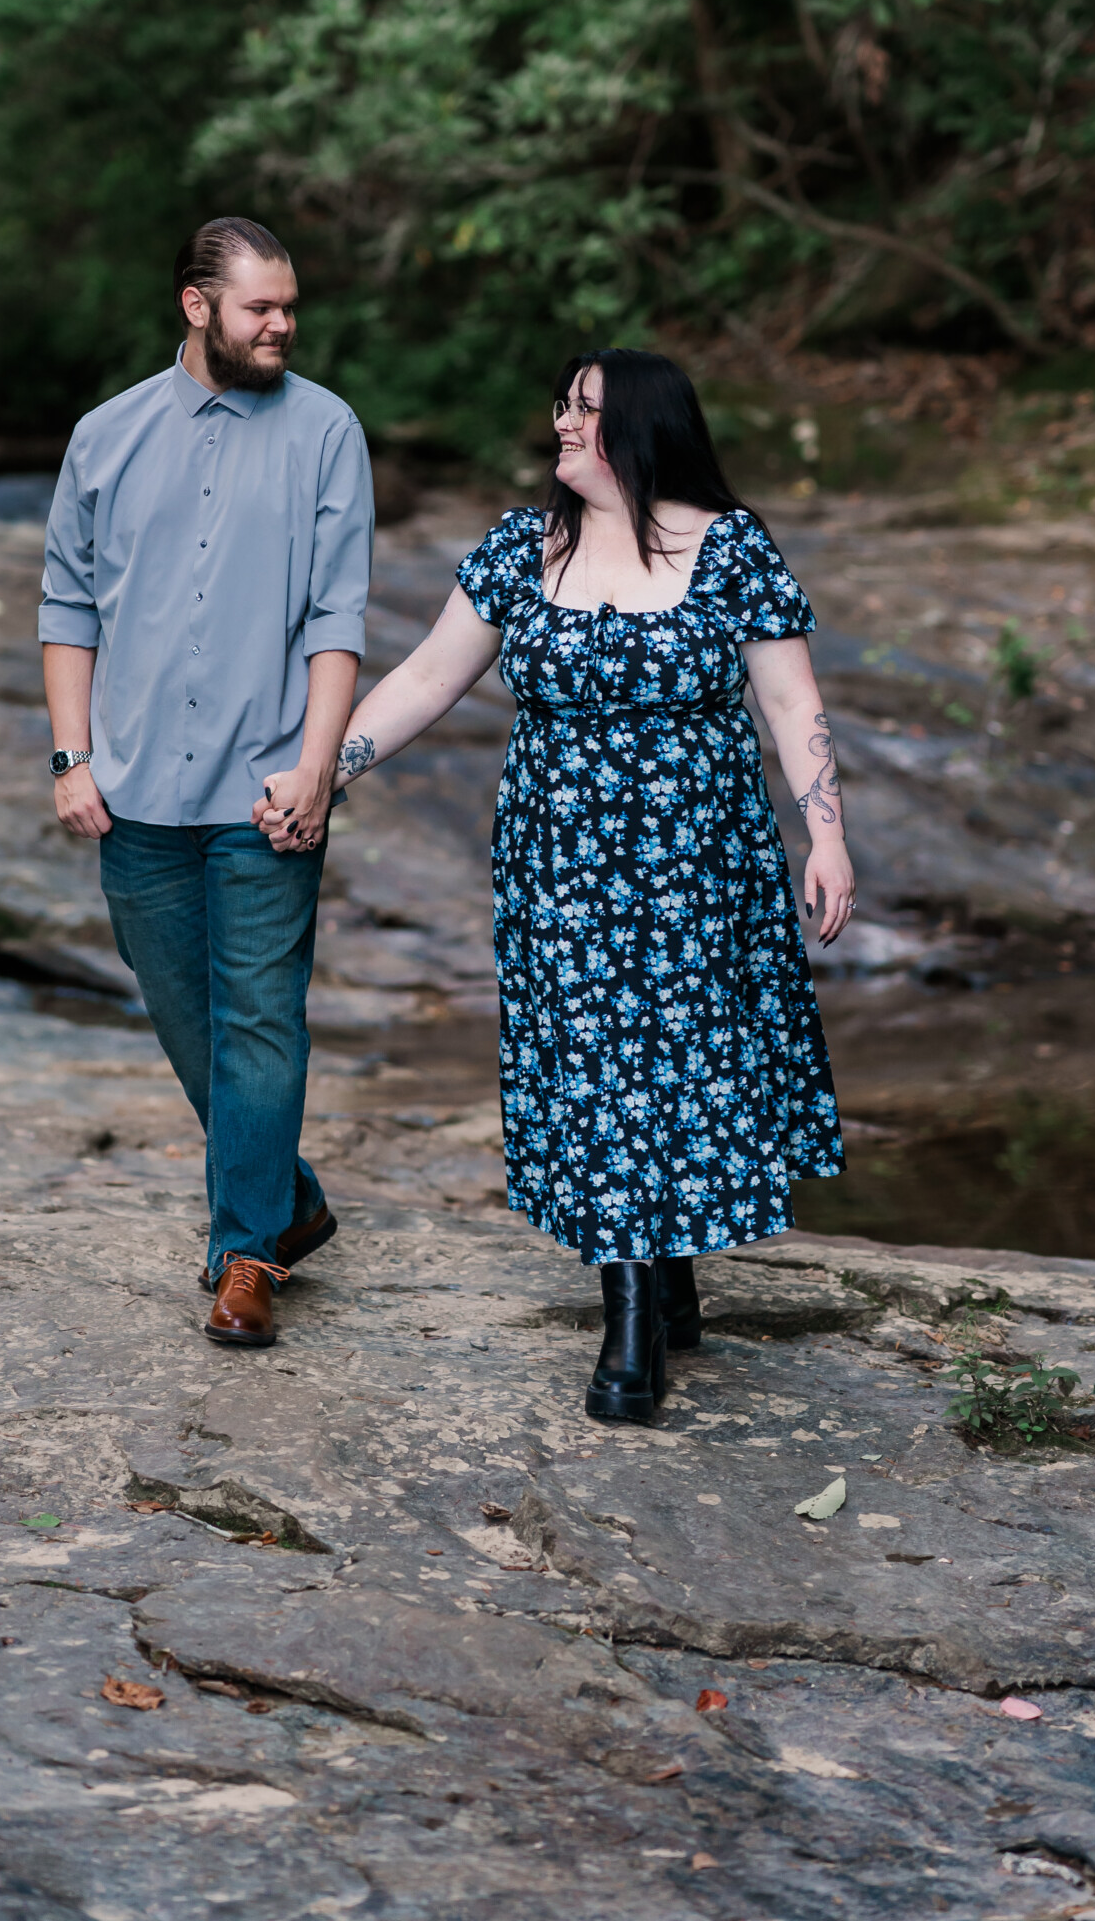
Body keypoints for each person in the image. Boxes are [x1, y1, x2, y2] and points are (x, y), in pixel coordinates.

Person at [291, 347, 851, 1423]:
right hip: (562, 871)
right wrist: (328, 769)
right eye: (560, 403)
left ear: (639, 429)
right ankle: (635, 1318)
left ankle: (661, 1279)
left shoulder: (729, 548)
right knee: (596, 1072)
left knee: (676, 1065)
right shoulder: (520, 548)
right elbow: (425, 678)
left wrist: (828, 839)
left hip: (702, 868)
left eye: (585, 410)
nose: (560, 423)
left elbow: (792, 709)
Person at [40, 218, 373, 1352]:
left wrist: (319, 767)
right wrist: (72, 757)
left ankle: (247, 1256)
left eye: (288, 308)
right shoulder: (105, 435)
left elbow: (338, 618)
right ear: (197, 305)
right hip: (132, 797)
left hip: (265, 793)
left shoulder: (328, 431)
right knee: (192, 1027)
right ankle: (294, 1195)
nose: (282, 325)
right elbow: (67, 608)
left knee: (263, 1025)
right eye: (259, 308)